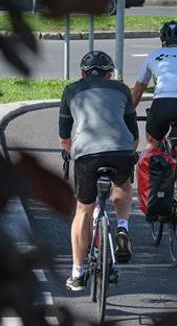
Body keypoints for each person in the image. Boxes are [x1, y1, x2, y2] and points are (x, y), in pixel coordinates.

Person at [59, 50, 139, 292]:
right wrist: (127, 151)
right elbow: (134, 135)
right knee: (122, 185)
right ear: (110, 74)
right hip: (121, 151)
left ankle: (78, 272)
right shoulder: (122, 90)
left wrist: (70, 152)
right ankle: (123, 228)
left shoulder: (70, 91)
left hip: (87, 154)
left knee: (83, 208)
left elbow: (64, 138)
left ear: (83, 73)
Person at [131, 20, 177, 161]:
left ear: (162, 41)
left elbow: (138, 92)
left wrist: (127, 113)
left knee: (152, 145)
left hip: (163, 103)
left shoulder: (153, 56)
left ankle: (153, 175)